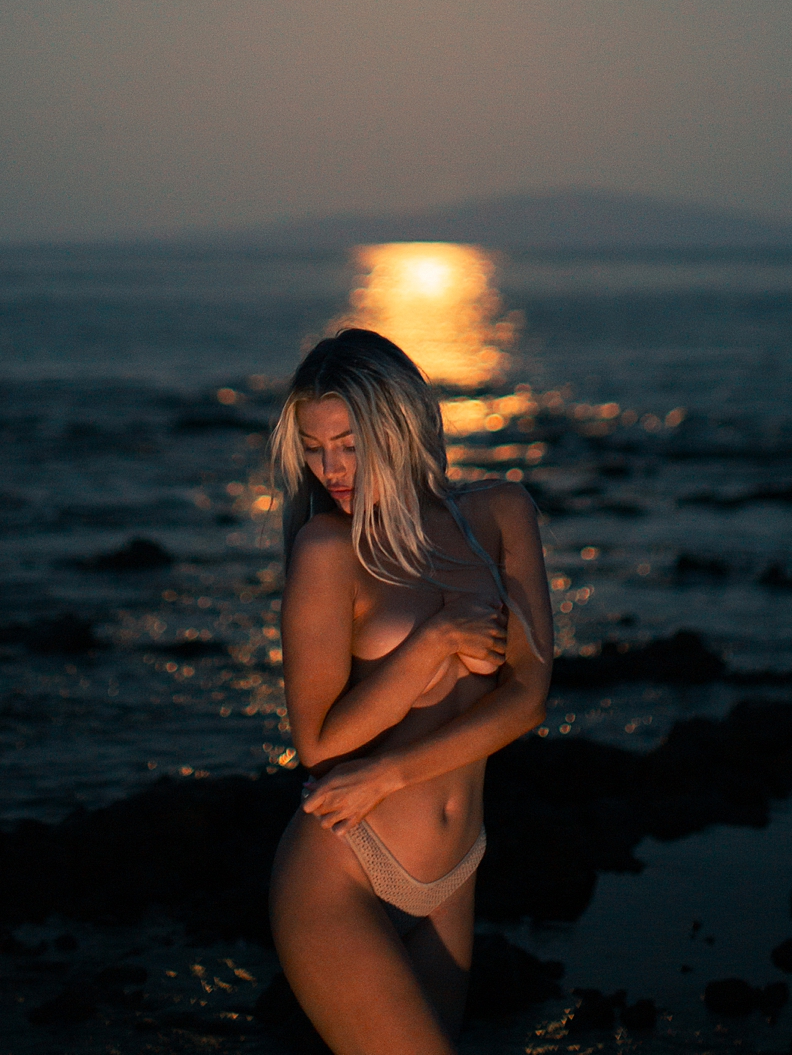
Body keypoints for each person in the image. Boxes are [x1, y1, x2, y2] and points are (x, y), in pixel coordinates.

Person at [268, 328, 553, 1055]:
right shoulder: (329, 550)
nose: (330, 467)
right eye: (313, 446)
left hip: (454, 874)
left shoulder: (499, 514)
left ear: (397, 427)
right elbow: (320, 742)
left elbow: (527, 699)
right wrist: (430, 645)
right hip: (343, 866)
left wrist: (392, 772)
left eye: (349, 443)